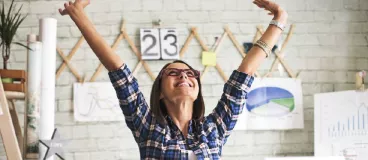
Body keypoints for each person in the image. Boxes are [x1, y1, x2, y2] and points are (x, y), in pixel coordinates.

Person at [59, 0, 288, 159]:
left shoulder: (214, 129)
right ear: (160, 91)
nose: (184, 76)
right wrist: (78, 14)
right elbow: (118, 71)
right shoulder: (148, 127)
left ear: (197, 89)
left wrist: (279, 19)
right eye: (173, 73)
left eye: (190, 74)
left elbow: (244, 74)